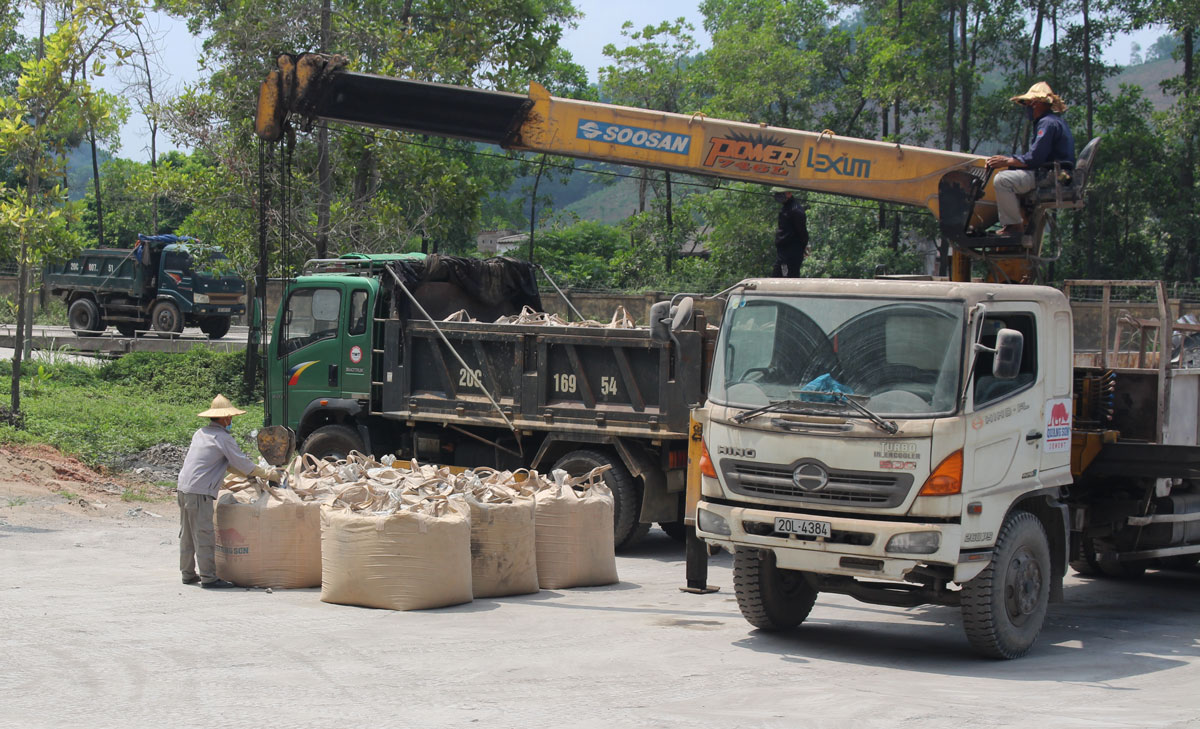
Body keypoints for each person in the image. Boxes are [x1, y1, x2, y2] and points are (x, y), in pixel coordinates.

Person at [176, 394, 279, 588]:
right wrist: (269, 474)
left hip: (184, 488)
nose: (231, 421)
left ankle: (187, 573)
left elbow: (226, 464)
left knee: (187, 534)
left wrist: (246, 474)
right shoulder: (223, 438)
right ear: (224, 418)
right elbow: (242, 463)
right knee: (203, 533)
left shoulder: (201, 433)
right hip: (200, 492)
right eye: (230, 418)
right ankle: (208, 577)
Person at [986, 82, 1076, 236]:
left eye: (1028, 104)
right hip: (1057, 173)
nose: (1027, 108)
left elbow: (1034, 158)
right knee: (1012, 174)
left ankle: (1014, 226)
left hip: (1050, 175)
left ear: (1037, 104)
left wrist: (1007, 161)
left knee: (1002, 180)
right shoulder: (1054, 121)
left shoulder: (1046, 124)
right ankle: (1021, 220)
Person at [771, 187, 808, 277]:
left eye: (781, 194)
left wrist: (804, 247)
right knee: (778, 276)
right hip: (783, 251)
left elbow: (802, 231)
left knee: (787, 276)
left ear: (789, 194)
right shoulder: (786, 208)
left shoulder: (796, 210)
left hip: (791, 252)